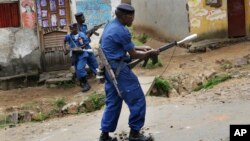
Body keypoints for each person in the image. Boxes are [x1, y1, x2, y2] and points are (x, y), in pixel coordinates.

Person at [98, 3, 159, 141]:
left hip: (108, 70)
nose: (133, 20)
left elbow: (124, 46)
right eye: (131, 17)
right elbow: (133, 54)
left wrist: (143, 48)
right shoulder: (122, 31)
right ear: (125, 16)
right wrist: (149, 53)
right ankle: (135, 134)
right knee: (137, 99)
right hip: (120, 71)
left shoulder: (110, 25)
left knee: (113, 102)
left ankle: (105, 136)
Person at [63, 23, 93, 92]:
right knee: (77, 70)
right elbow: (64, 41)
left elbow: (86, 44)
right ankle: (82, 83)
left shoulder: (82, 35)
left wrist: (79, 48)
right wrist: (64, 49)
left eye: (73, 28)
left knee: (80, 68)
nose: (71, 30)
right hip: (74, 56)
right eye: (70, 29)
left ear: (76, 28)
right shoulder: (69, 36)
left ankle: (86, 84)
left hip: (82, 54)